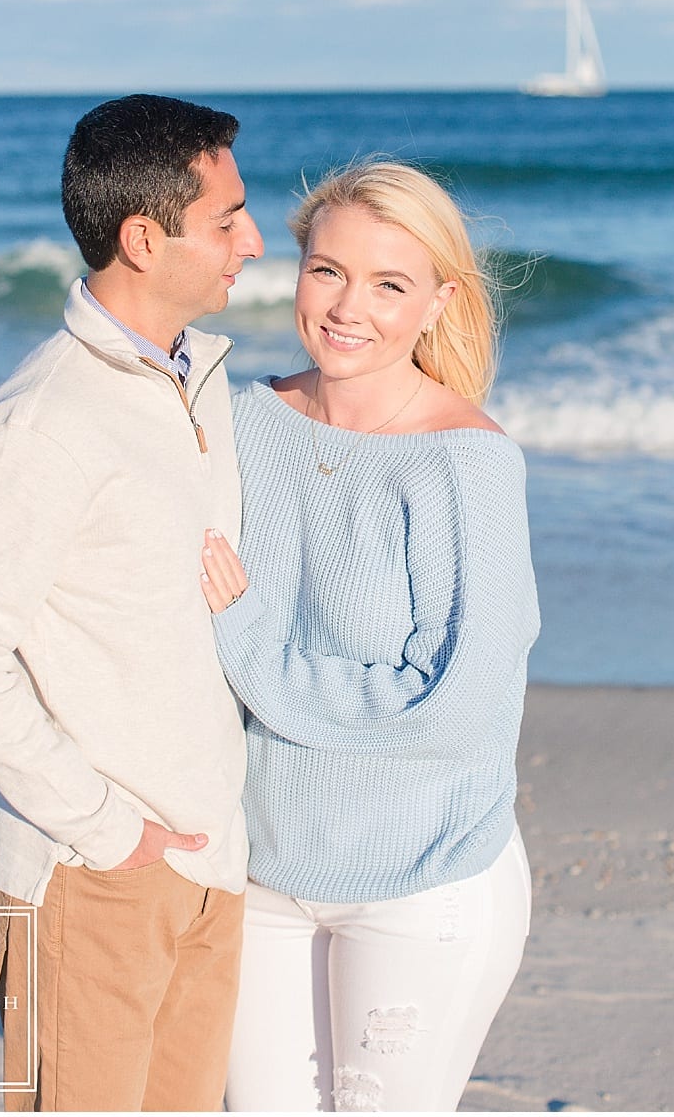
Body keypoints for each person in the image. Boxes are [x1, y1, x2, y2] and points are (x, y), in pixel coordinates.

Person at [0, 94, 264, 1111]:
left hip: (206, 861)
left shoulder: (201, 380)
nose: (249, 237)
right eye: (225, 218)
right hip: (96, 869)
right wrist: (108, 828)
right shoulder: (46, 422)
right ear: (144, 238)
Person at [200, 160, 540, 1112]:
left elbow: (451, 702)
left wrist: (247, 640)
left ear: (439, 302)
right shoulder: (240, 420)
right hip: (262, 865)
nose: (350, 307)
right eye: (327, 271)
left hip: (423, 878)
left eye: (391, 284)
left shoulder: (465, 466)